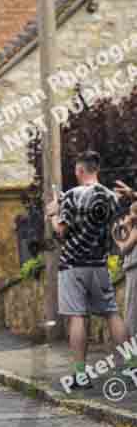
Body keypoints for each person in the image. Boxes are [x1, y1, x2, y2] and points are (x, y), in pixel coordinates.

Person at [46, 151, 129, 389]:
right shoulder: (111, 196)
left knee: (77, 317)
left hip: (73, 265)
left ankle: (81, 374)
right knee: (112, 313)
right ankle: (133, 365)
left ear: (80, 171)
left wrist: (53, 214)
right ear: (97, 170)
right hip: (99, 264)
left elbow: (61, 231)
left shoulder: (71, 196)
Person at [113, 202, 137, 344]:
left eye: (132, 213)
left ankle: (132, 356)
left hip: (135, 269)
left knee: (132, 313)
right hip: (132, 269)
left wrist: (126, 227)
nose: (129, 216)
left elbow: (124, 247)